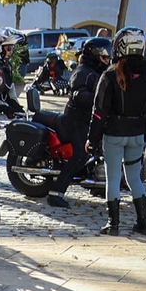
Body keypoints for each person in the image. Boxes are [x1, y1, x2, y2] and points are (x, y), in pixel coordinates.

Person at [90, 27, 146, 236]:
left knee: (113, 178)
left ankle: (113, 224)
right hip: (137, 134)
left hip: (114, 134)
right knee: (134, 178)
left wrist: (91, 139)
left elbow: (99, 111)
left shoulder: (110, 76)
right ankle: (143, 222)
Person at [47, 38, 111, 208]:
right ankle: (56, 193)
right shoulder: (82, 71)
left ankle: (96, 185)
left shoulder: (97, 72)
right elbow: (78, 94)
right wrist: (100, 101)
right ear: (94, 55)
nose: (107, 59)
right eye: (104, 56)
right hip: (76, 119)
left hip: (88, 119)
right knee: (81, 154)